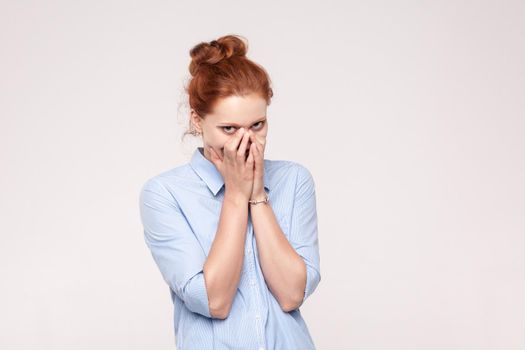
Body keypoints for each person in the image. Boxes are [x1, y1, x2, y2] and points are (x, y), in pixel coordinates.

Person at [139, 34, 321, 350]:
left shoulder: (294, 180)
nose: (247, 141)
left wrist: (256, 196)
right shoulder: (164, 194)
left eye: (258, 125)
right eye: (229, 129)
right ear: (197, 121)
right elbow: (214, 301)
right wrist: (236, 195)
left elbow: (292, 294)